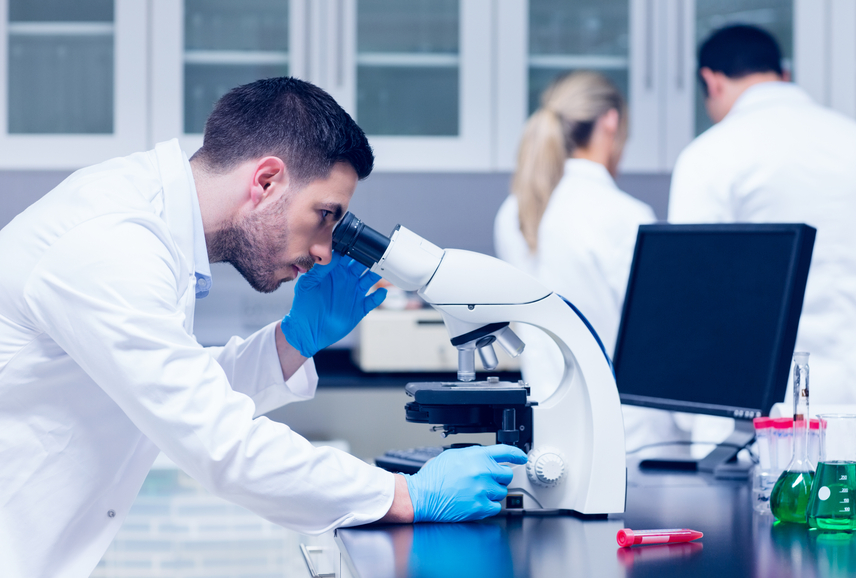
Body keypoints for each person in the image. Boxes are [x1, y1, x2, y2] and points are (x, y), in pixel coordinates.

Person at [0, 77, 526, 578]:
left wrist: (292, 342)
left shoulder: (148, 224)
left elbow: (174, 386)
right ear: (267, 180)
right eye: (324, 214)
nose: (324, 251)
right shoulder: (112, 243)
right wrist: (404, 495)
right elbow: (220, 442)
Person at [669, 25, 856, 406]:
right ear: (784, 75)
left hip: (760, 404)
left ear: (710, 81)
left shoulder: (709, 155)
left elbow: (691, 295)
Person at [493, 70, 677, 448]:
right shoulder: (627, 216)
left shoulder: (514, 213)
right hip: (626, 436)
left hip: (545, 428)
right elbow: (660, 341)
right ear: (611, 120)